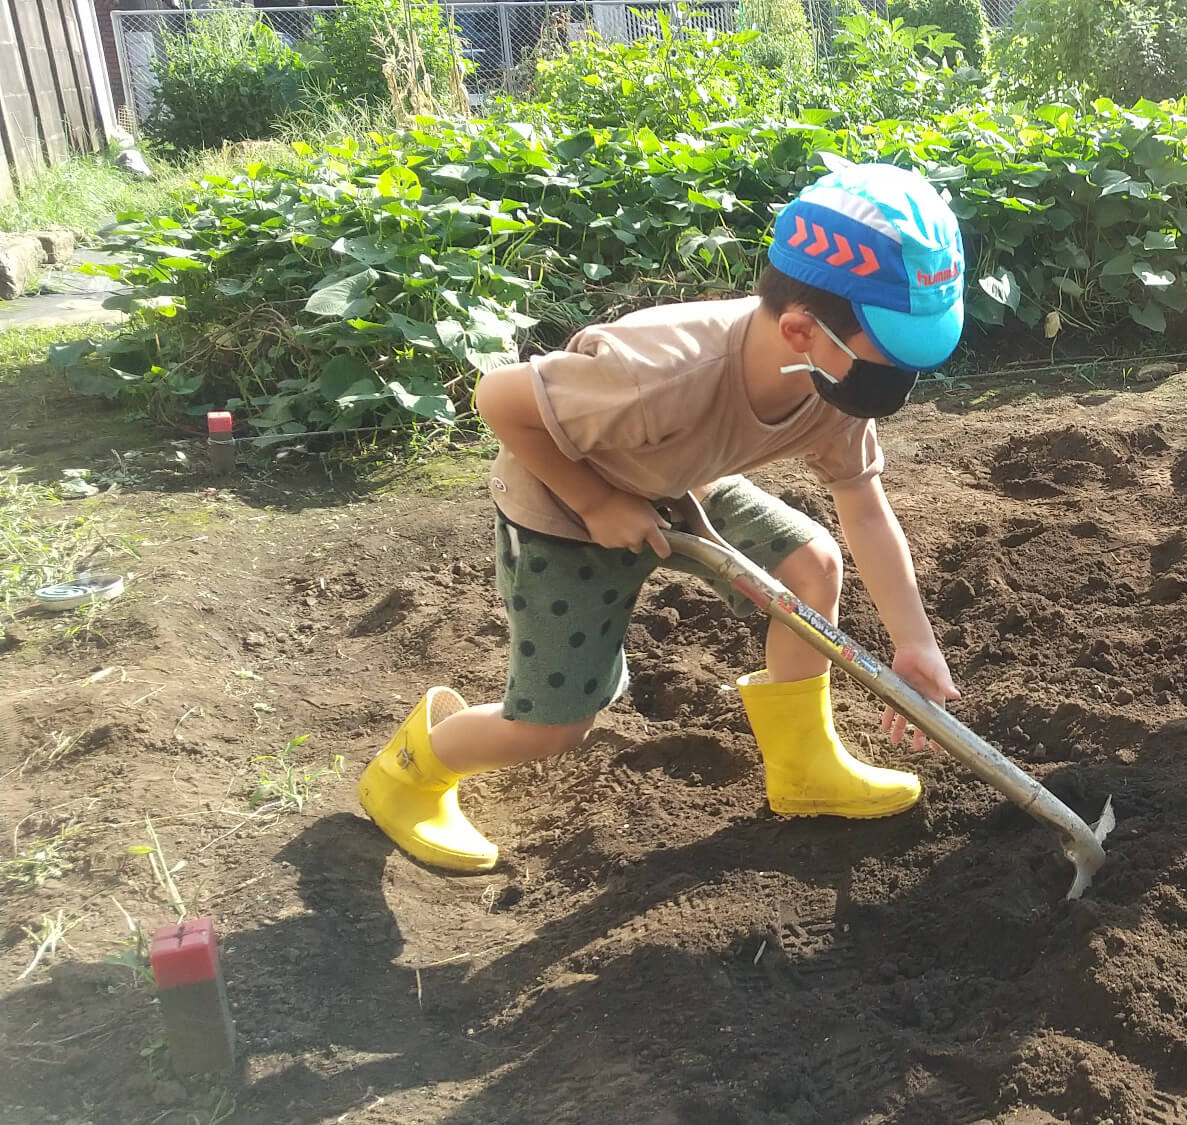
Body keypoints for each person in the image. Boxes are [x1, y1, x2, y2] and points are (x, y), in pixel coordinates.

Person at [356, 163, 968, 872]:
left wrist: (914, 641)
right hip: (562, 506)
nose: (899, 377)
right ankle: (410, 771)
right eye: (888, 355)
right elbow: (499, 401)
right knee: (552, 729)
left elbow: (862, 504)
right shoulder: (658, 372)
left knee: (812, 563)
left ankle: (804, 765)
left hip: (681, 485)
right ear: (803, 331)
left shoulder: (832, 389)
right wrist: (595, 502)